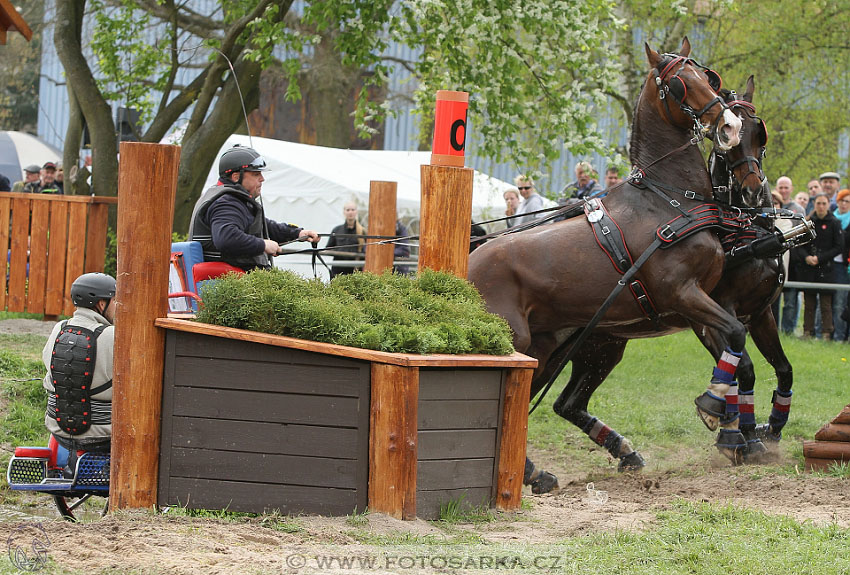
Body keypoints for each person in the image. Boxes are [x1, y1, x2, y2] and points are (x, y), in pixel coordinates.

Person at [189, 145, 319, 272]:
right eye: (256, 174)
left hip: (237, 278)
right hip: (228, 281)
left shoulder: (231, 200)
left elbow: (261, 226)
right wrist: (263, 245)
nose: (262, 179)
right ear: (236, 177)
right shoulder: (226, 203)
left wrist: (297, 233)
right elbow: (226, 238)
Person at [42, 273, 116, 462]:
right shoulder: (113, 335)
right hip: (103, 434)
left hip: (59, 430)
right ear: (102, 304)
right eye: (116, 301)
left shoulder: (59, 328)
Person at [791, 194, 844, 340]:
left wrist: (820, 258)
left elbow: (839, 246)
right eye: (818, 203)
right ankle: (807, 332)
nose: (821, 206)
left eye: (823, 203)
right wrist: (807, 257)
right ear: (814, 205)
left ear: (828, 205)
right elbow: (799, 244)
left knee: (826, 304)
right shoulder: (808, 222)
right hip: (808, 268)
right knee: (809, 302)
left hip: (826, 268)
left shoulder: (834, 222)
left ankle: (827, 333)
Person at [325, 201, 367, 279]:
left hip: (355, 270)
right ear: (344, 212)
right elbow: (328, 248)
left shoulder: (363, 231)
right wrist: (339, 252)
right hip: (338, 269)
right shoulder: (336, 230)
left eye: (352, 210)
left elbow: (367, 251)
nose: (350, 212)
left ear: (356, 212)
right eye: (348, 210)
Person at [831, 189, 850, 341]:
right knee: (829, 302)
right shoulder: (831, 218)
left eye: (847, 201)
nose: (844, 204)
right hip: (830, 265)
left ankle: (840, 336)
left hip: (845, 266)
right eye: (841, 201)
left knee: (841, 302)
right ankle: (831, 334)